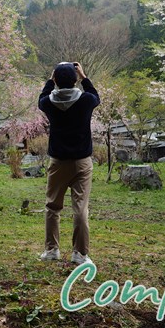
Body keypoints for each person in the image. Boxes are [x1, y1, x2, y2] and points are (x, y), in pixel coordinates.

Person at [38, 62, 100, 265]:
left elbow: (41, 98)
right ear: (75, 79)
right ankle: (80, 254)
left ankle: (51, 250)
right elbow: (94, 94)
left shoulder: (48, 103)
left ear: (55, 80)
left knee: (52, 207)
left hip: (58, 162)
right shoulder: (86, 100)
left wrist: (50, 80)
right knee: (80, 208)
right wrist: (84, 76)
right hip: (82, 162)